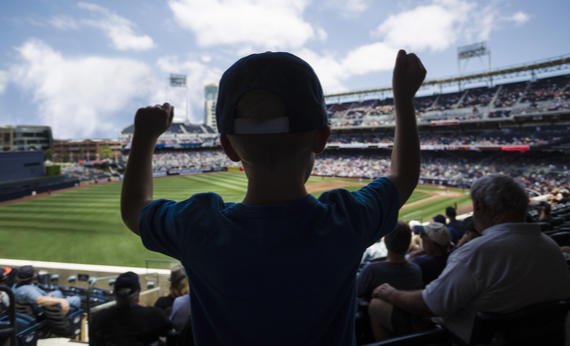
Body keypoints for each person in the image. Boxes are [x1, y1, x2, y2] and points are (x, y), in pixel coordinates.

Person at [121, 50, 426, 345]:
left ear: (227, 147)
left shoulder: (198, 225)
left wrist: (145, 137)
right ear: (321, 138)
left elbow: (135, 209)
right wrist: (404, 98)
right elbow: (403, 177)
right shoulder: (346, 218)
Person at [370, 175, 570, 343]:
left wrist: (392, 293)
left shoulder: (478, 252)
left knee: (377, 305)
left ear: (480, 207)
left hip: (461, 339)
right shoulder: (552, 247)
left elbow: (431, 305)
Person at [89, 271, 171, 346]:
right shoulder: (154, 315)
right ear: (138, 291)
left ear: (115, 293)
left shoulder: (98, 318)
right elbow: (173, 335)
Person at [357, 221, 422, 301]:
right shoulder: (416, 270)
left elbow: (356, 292)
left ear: (386, 242)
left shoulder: (371, 270)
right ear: (409, 243)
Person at [13, 265, 81, 316]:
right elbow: (40, 300)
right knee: (77, 299)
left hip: (35, 304)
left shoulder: (15, 286)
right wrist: (61, 301)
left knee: (58, 292)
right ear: (31, 277)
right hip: (45, 309)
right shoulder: (27, 290)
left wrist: (49, 297)